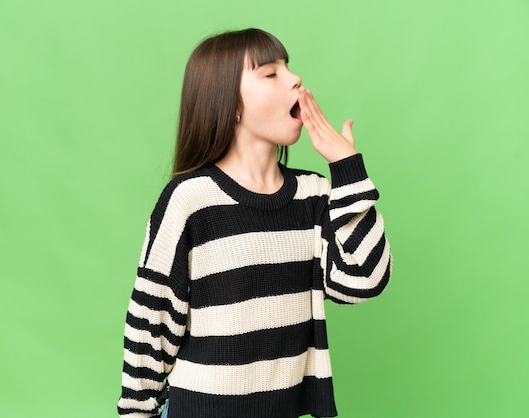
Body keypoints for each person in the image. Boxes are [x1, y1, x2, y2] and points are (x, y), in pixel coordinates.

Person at [117, 28, 392, 418]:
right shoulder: (189, 200)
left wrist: (346, 169)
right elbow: (151, 327)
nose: (295, 79)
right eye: (270, 73)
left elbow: (363, 280)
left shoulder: (313, 195)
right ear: (231, 105)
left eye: (288, 67)